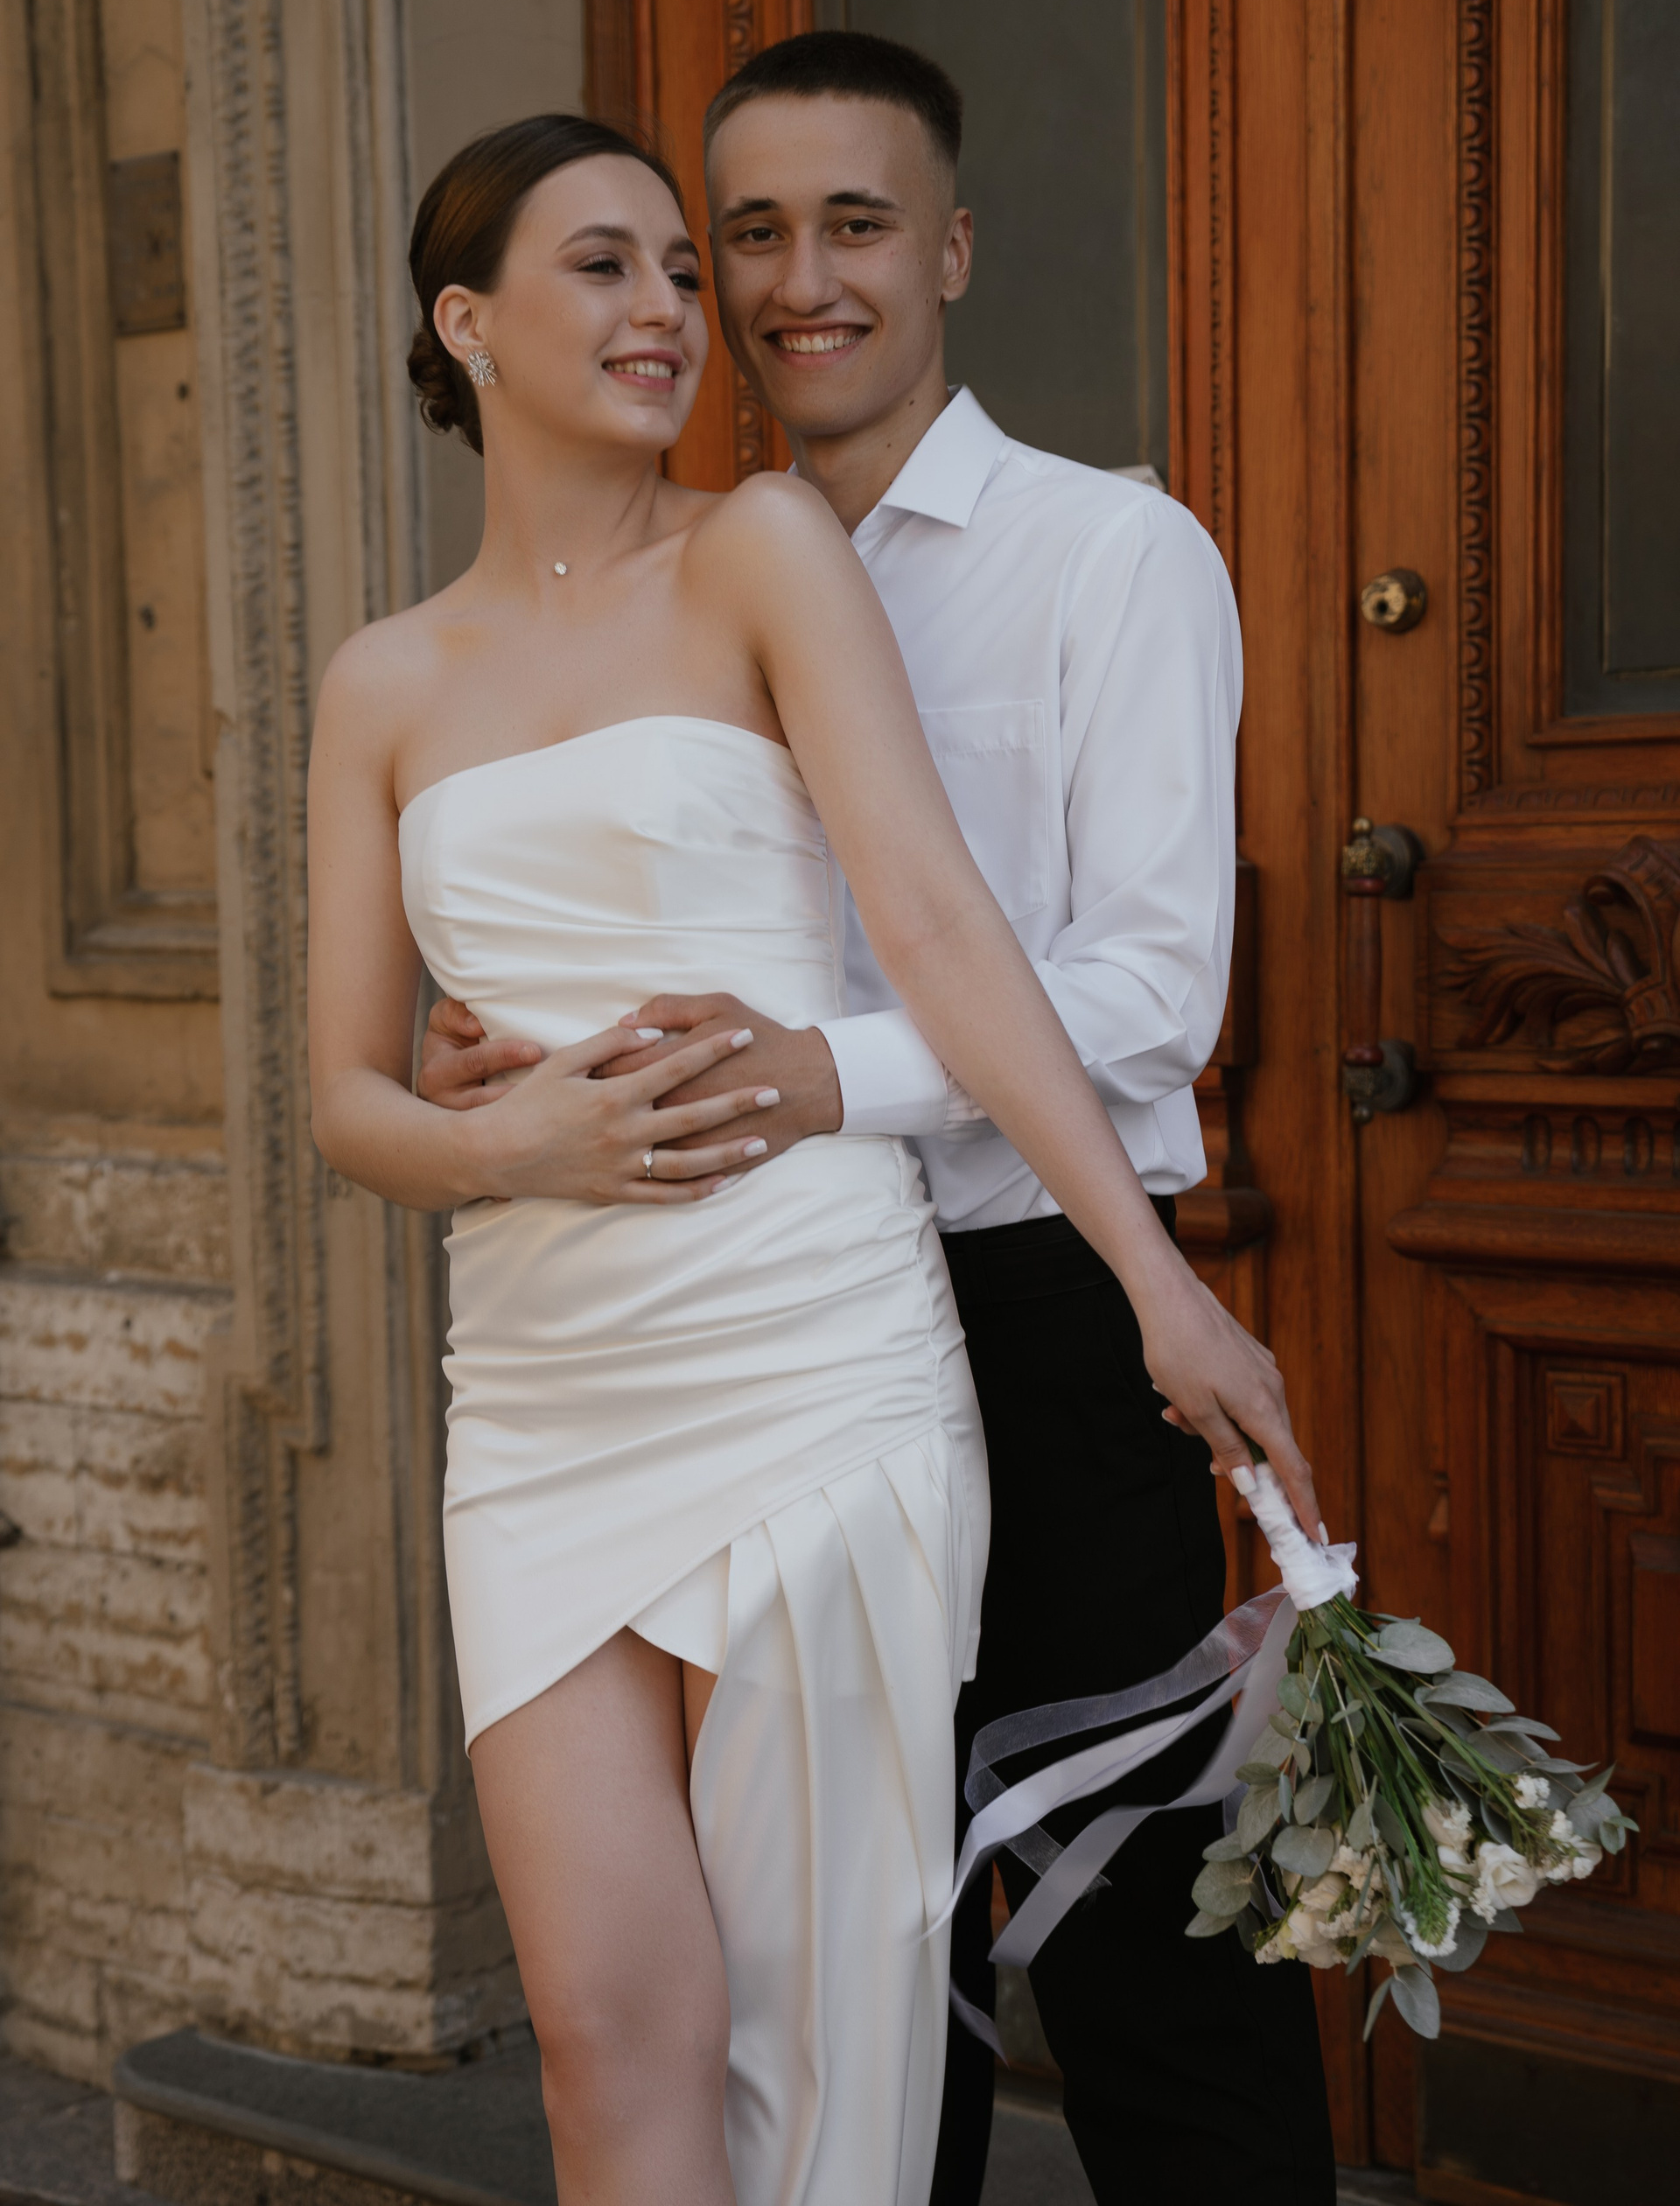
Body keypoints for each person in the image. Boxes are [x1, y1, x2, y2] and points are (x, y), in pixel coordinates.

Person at [314, 108, 1321, 2206]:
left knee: (854, 2024)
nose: (685, 306)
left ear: (947, 245)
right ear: (466, 323)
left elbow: (949, 929)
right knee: (606, 2039)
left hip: (823, 1341)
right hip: (541, 1392)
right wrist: (505, 1130)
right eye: (621, 263)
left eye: (684, 268)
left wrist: (1161, 1284)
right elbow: (348, 1099)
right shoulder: (379, 679)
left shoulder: (782, 546)